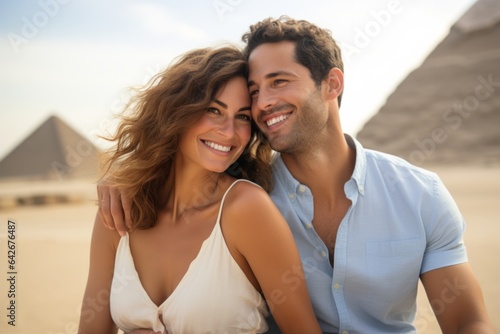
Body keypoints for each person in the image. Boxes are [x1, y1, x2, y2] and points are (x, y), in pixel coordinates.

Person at [98, 17, 495, 333]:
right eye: (254, 91)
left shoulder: (420, 195)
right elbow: (180, 163)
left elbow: (466, 321)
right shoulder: (241, 197)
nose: (263, 103)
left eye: (279, 82)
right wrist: (123, 175)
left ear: (331, 84)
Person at [78, 45, 322, 334]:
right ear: (176, 112)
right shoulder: (120, 210)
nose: (229, 131)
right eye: (213, 110)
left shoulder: (246, 209)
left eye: (242, 117)